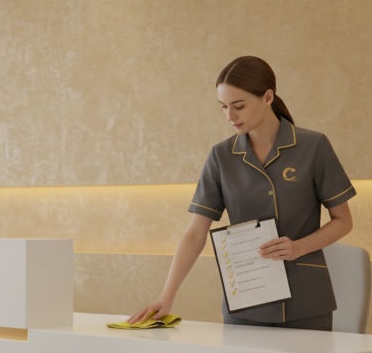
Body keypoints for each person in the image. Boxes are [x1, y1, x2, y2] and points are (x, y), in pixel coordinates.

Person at [128, 56, 355, 330]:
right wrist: (166, 296)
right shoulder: (221, 156)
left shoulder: (313, 146)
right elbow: (195, 232)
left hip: (307, 302)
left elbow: (343, 221)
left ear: (268, 97)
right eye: (223, 107)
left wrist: (299, 247)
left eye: (239, 106)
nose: (229, 116)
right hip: (246, 302)